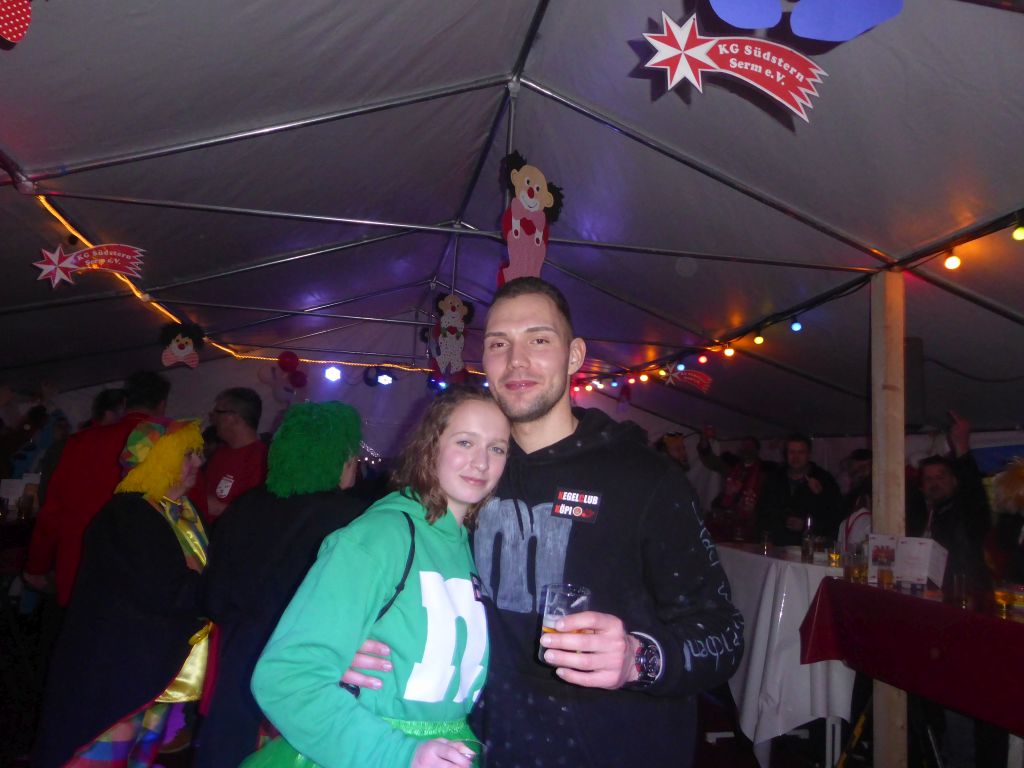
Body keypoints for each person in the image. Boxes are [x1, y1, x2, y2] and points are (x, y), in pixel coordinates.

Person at [351, 278, 743, 767]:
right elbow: (400, 570)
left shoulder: (647, 479)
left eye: (539, 340)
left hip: (614, 750)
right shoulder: (468, 474)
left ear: (574, 355)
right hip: (480, 746)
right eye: (499, 344)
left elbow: (724, 634)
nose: (517, 361)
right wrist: (356, 635)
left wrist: (637, 658)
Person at [249, 385, 509, 768]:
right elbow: (286, 676)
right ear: (430, 446)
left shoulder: (468, 546)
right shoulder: (380, 536)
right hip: (369, 752)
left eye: (497, 448)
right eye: (465, 442)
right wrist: (401, 755)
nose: (482, 462)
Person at [195, 401, 368, 768]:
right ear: (339, 457)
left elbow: (213, 597)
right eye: (352, 455)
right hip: (305, 676)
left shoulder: (246, 505)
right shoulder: (353, 521)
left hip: (239, 664)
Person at [33, 419, 209, 768]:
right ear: (159, 459)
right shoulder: (130, 516)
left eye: (198, 453)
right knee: (101, 754)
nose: (199, 462)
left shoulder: (181, 511)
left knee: (140, 753)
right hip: (120, 670)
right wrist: (226, 589)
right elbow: (166, 591)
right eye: (188, 454)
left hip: (156, 665)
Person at [23, 370, 171, 606]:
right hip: (145, 579)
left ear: (125, 402)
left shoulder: (78, 443)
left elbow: (52, 512)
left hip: (79, 572)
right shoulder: (170, 444)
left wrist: (37, 566)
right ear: (162, 405)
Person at [192, 387, 268, 524]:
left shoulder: (262, 459)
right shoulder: (220, 453)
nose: (213, 418)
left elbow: (256, 516)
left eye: (218, 412)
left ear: (233, 417)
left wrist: (221, 509)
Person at [757, 433, 842, 546]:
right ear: (786, 454)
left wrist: (806, 525)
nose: (796, 457)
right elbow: (763, 511)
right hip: (777, 545)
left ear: (809, 454)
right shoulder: (775, 478)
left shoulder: (824, 479)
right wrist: (782, 521)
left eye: (801, 452)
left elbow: (835, 516)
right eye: (792, 452)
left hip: (809, 547)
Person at [697, 427, 775, 541]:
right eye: (744, 446)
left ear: (757, 450)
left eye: (750, 446)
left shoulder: (766, 472)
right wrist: (704, 438)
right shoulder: (732, 467)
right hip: (729, 525)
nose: (746, 449)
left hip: (752, 528)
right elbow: (710, 459)